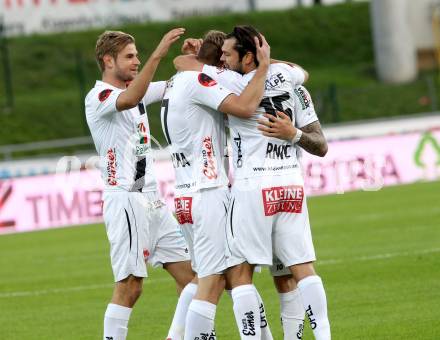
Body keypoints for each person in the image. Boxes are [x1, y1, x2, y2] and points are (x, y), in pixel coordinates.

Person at [174, 28, 312, 339]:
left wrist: (253, 60)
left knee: (219, 278)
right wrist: (265, 61)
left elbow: (182, 62)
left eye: (228, 53)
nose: (224, 59)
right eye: (221, 54)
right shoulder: (231, 80)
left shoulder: (209, 80)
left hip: (197, 191)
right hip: (219, 189)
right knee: (223, 279)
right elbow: (297, 73)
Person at [84, 28, 197, 340]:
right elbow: (132, 96)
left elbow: (178, 85)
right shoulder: (99, 97)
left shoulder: (136, 89)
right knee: (131, 287)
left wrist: (194, 58)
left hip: (152, 200)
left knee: (195, 278)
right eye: (130, 56)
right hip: (126, 200)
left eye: (138, 56)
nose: (137, 61)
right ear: (108, 61)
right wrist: (159, 54)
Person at [161, 30, 271, 339]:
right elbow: (246, 107)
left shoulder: (174, 82)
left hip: (185, 195)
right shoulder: (201, 82)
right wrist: (262, 68)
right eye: (224, 57)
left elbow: (183, 61)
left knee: (230, 275)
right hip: (207, 191)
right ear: (217, 64)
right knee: (212, 283)